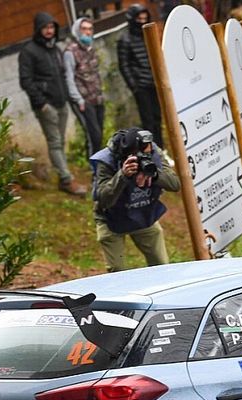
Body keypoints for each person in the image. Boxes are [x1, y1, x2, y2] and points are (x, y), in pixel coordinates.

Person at [89, 128, 179, 271]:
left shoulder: (154, 152)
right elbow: (104, 200)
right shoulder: (107, 160)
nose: (145, 156)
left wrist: (155, 174)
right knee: (117, 271)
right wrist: (122, 176)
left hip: (143, 214)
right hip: (112, 219)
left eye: (148, 153)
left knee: (162, 266)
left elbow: (175, 184)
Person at [19, 12, 87, 197]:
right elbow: (26, 81)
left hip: (61, 103)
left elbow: (63, 75)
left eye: (52, 27)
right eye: (45, 27)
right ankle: (66, 179)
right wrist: (41, 104)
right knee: (55, 142)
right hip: (46, 106)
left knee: (60, 141)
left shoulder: (55, 49)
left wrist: (68, 97)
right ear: (38, 29)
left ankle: (63, 176)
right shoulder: (29, 51)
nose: (49, 31)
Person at [118, 5, 163, 147]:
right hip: (141, 86)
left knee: (158, 118)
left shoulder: (150, 35)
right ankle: (152, 149)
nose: (142, 21)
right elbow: (124, 65)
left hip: (154, 83)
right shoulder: (125, 40)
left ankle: (162, 148)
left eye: (145, 18)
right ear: (132, 19)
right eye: (139, 19)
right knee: (148, 120)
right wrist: (134, 87)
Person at [64, 17, 106, 161]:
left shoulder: (91, 49)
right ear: (77, 31)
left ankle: (101, 167)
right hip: (85, 101)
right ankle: (95, 167)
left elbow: (95, 73)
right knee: (94, 136)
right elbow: (69, 78)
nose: (88, 32)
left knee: (100, 133)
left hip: (98, 98)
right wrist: (79, 100)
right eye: (84, 29)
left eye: (90, 29)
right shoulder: (70, 52)